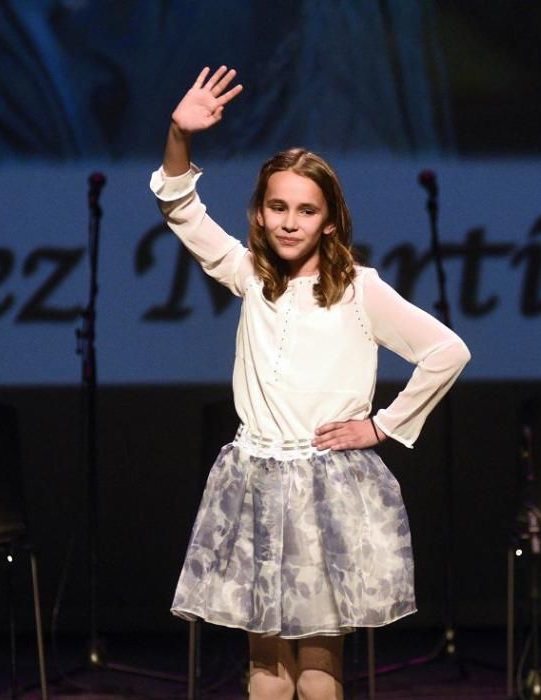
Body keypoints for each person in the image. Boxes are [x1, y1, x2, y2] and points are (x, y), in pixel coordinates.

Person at [151, 66, 470, 700]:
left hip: (326, 487)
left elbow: (446, 350)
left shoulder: (359, 290)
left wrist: (381, 425)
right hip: (257, 480)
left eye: (306, 209)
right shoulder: (248, 275)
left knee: (319, 669)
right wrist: (179, 134)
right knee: (266, 670)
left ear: (330, 220)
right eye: (277, 207)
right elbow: (180, 207)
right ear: (260, 215)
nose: (290, 221)